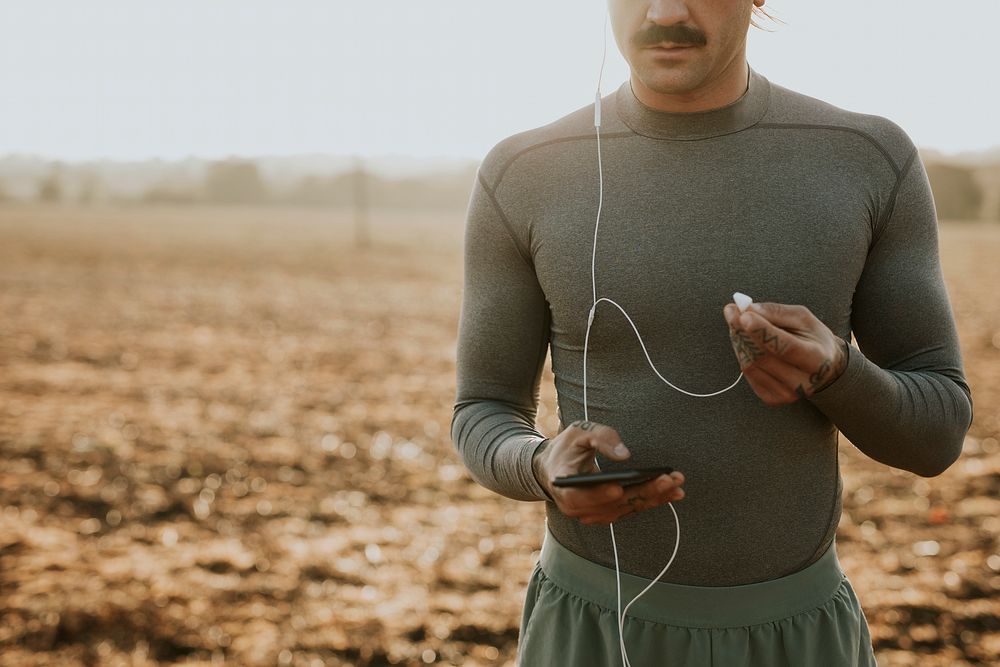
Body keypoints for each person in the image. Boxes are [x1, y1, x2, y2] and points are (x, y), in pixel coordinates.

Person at [450, 1, 974, 664]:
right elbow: (482, 409)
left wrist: (837, 373)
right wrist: (538, 465)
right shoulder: (523, 171)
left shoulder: (867, 159)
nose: (665, 11)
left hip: (794, 637)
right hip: (591, 634)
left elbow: (939, 433)